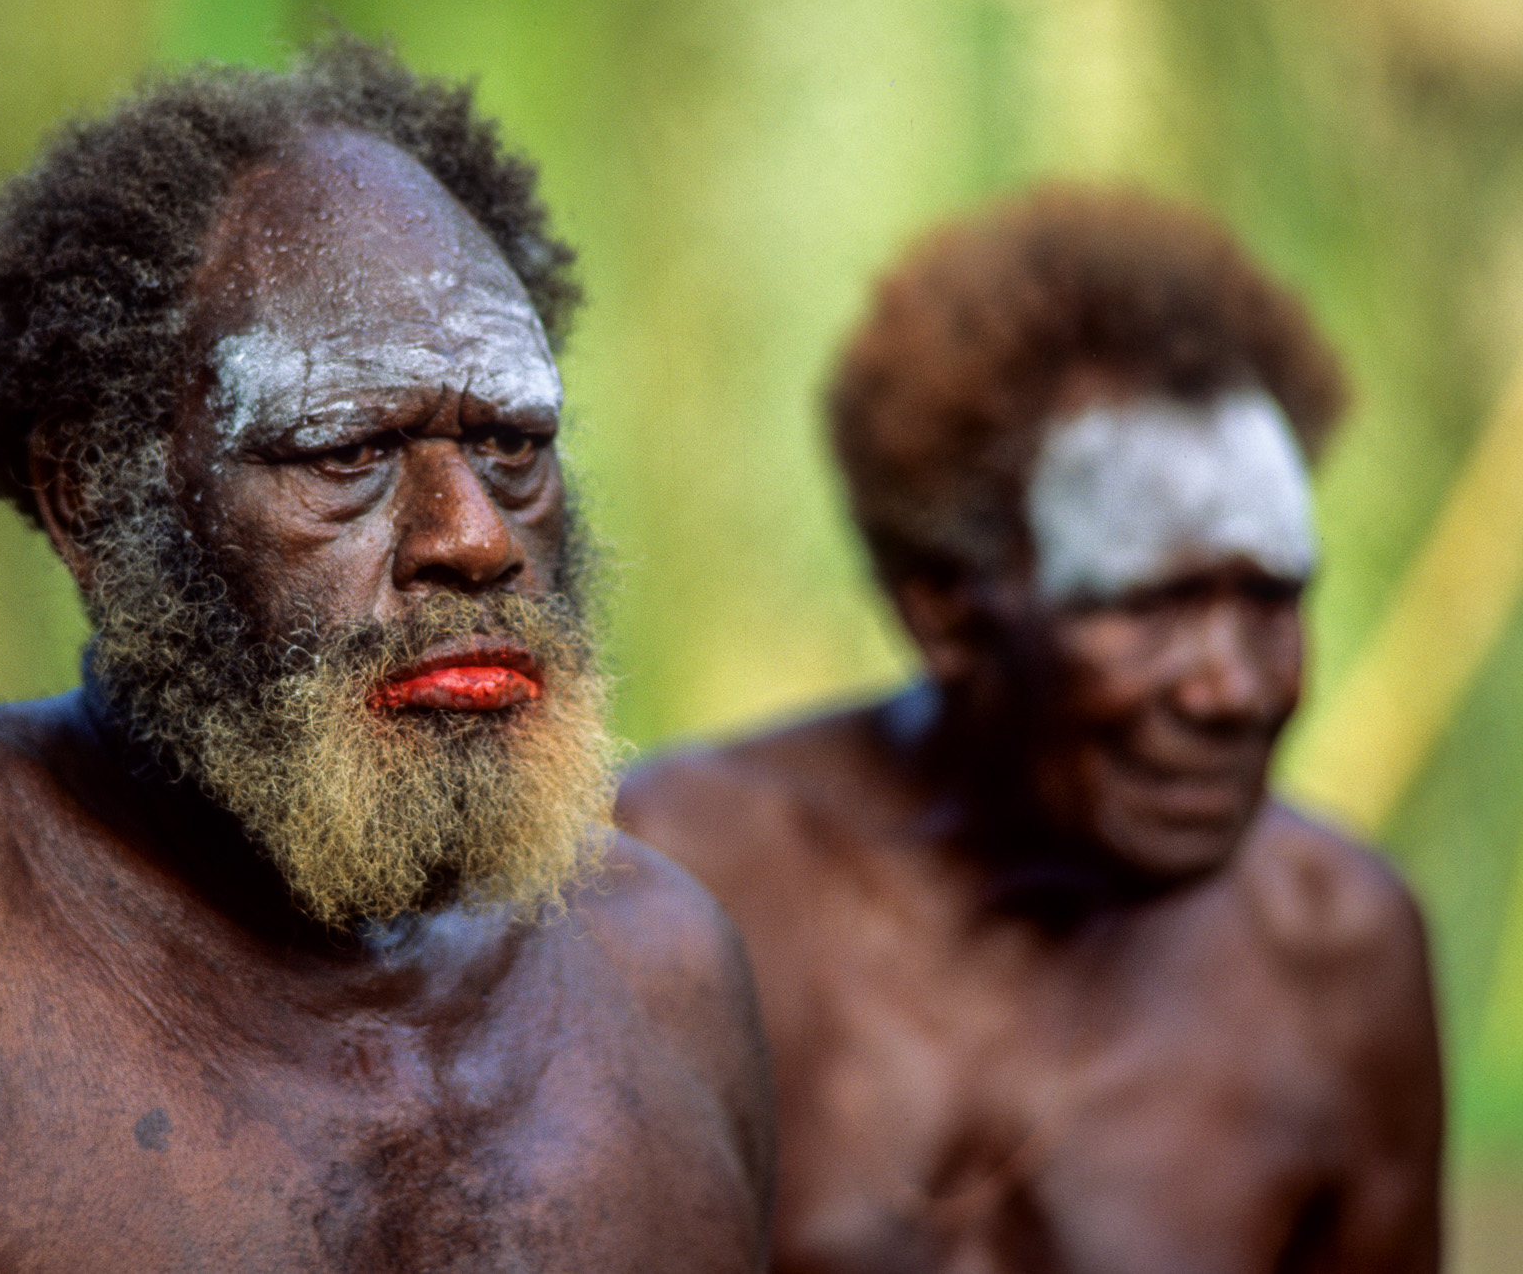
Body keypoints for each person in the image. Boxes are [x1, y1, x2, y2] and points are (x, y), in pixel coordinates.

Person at [0, 41, 773, 1272]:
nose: (472, 536)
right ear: (90, 499)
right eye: (345, 453)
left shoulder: (666, 973)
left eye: (510, 443)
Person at [618, 188, 1442, 1273]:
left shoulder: (1334, 958)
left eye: (1272, 599)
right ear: (945, 612)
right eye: (1148, 608)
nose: (1233, 688)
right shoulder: (690, 879)